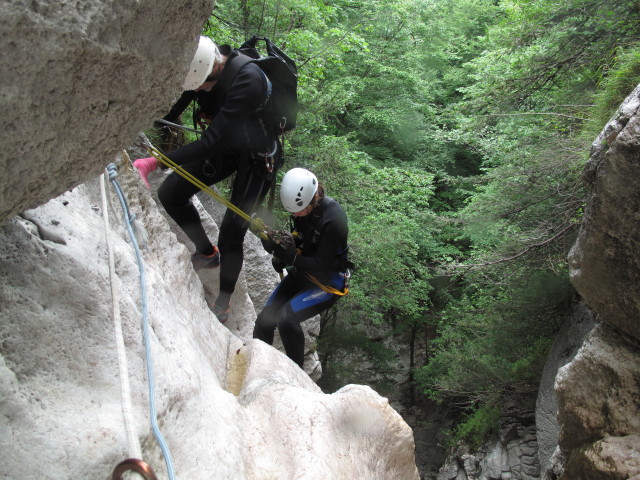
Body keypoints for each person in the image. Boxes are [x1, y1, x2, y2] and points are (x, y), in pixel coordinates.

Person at [133, 36, 281, 323]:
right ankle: (206, 253)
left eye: (203, 86)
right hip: (229, 146)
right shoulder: (201, 70)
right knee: (172, 193)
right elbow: (178, 105)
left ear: (214, 68)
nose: (199, 90)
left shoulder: (248, 80)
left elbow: (210, 142)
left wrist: (154, 162)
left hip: (259, 158)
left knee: (231, 233)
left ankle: (224, 300)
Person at [253, 168, 350, 368]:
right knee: (264, 321)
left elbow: (320, 264)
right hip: (303, 272)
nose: (295, 215)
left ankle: (295, 376)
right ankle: (258, 366)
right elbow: (299, 239)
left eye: (298, 210)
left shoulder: (334, 219)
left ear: (312, 199)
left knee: (286, 319)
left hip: (327, 282)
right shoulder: (301, 209)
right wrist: (279, 253)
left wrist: (289, 258)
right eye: (293, 211)